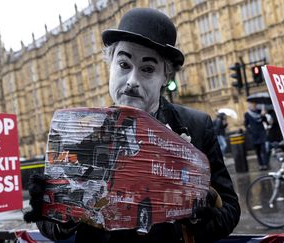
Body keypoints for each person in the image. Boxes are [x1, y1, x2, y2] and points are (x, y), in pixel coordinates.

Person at [23, 8, 240, 243]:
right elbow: (50, 227)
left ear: (166, 76)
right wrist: (59, 209)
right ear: (110, 65)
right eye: (124, 65)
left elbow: (230, 210)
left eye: (147, 69)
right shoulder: (80, 130)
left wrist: (196, 215)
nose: (132, 81)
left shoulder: (196, 126)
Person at [244, 101, 269, 171]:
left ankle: (265, 164)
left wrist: (263, 115)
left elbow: (265, 121)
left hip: (262, 133)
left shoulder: (260, 111)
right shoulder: (247, 114)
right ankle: (261, 165)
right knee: (257, 151)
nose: (253, 105)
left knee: (264, 149)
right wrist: (251, 131)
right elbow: (246, 125)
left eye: (254, 104)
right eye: (252, 104)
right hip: (254, 135)